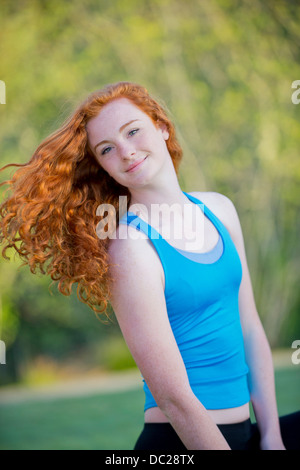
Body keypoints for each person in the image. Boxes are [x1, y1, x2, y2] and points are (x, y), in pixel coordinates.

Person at [0, 81, 299, 450]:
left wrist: (272, 437)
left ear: (162, 126)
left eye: (133, 131)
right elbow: (174, 398)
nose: (125, 152)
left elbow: (249, 326)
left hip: (246, 432)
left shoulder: (219, 208)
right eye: (107, 149)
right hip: (179, 441)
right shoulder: (131, 248)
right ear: (103, 167)